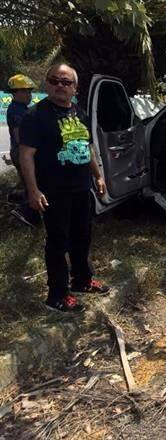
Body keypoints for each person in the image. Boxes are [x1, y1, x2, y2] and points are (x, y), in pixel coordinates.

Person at [19, 63, 109, 313]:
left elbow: (87, 147)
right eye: (54, 80)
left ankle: (82, 280)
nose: (60, 85)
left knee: (82, 235)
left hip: (81, 188)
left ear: (75, 88)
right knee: (58, 241)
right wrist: (33, 190)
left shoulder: (79, 113)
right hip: (54, 191)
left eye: (66, 82)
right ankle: (57, 295)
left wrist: (98, 176)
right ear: (47, 84)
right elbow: (26, 155)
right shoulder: (35, 116)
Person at [6, 74, 41, 227]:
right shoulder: (17, 111)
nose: (29, 94)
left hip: (20, 152)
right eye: (25, 91)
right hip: (22, 152)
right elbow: (21, 137)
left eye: (30, 91)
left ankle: (23, 207)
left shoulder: (21, 108)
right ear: (16, 93)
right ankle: (25, 211)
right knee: (35, 181)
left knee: (29, 182)